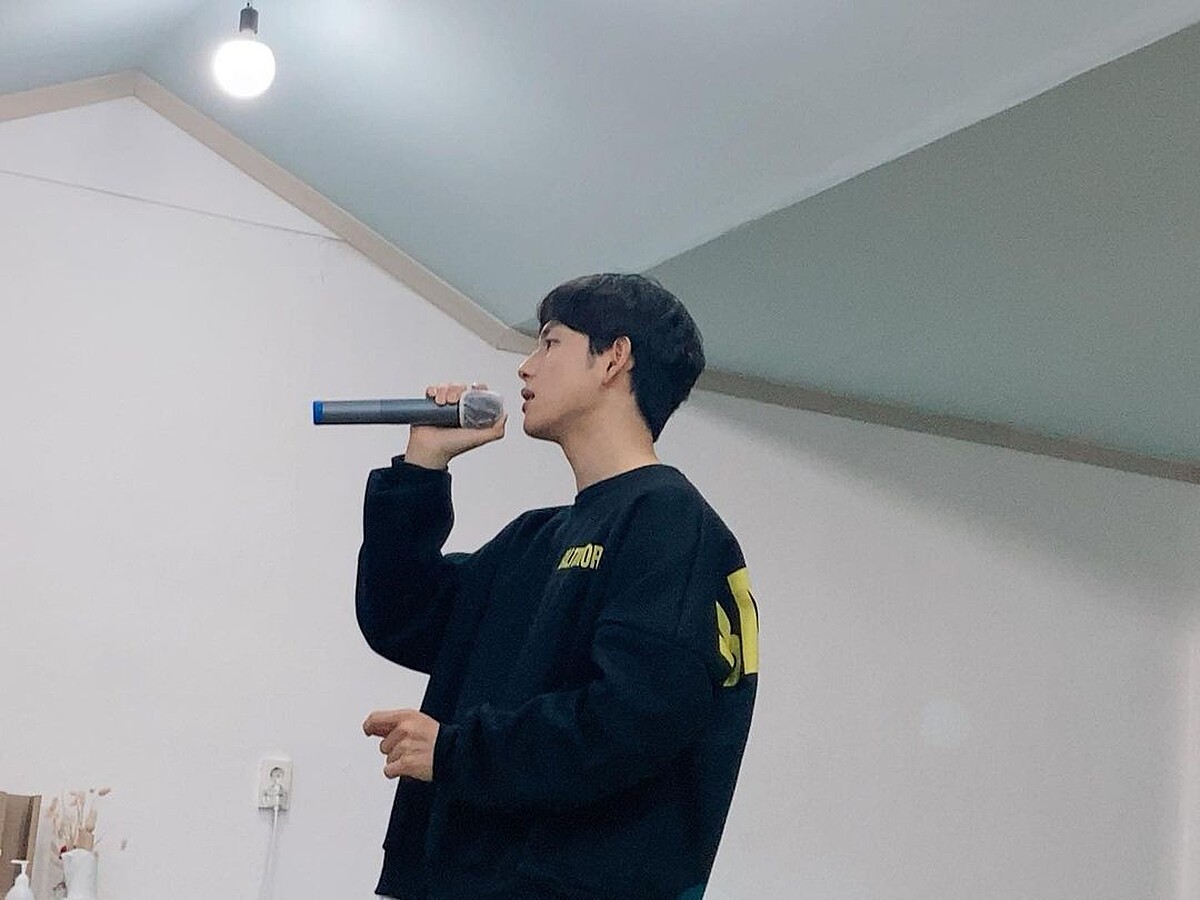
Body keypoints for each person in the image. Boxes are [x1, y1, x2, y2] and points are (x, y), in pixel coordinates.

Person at [357, 273, 759, 900]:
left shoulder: (668, 521)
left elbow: (637, 716)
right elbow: (402, 618)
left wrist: (456, 753)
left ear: (614, 358)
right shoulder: (534, 539)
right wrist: (422, 468)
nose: (525, 367)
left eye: (549, 342)